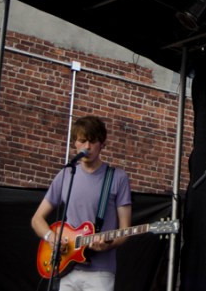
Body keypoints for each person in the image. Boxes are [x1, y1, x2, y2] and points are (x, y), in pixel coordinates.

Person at [31, 115, 132, 291]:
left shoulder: (117, 178)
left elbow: (125, 231)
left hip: (100, 273)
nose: (87, 147)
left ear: (102, 144)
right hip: (66, 269)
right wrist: (51, 237)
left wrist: (108, 243)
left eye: (92, 141)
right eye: (82, 141)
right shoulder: (66, 174)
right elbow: (37, 219)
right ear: (75, 143)